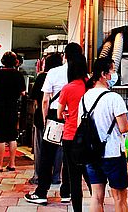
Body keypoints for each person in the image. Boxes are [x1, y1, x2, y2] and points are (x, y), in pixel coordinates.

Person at [25, 42, 83, 205]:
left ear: (65, 55)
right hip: (74, 118)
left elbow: (45, 100)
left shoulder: (54, 72)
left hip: (54, 116)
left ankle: (41, 192)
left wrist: (45, 120)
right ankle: (66, 192)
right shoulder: (82, 75)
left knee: (47, 156)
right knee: (69, 156)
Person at [83, 58, 128, 212]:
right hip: (113, 153)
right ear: (104, 74)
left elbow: (80, 126)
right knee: (119, 198)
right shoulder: (114, 98)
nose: (114, 74)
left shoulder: (84, 98)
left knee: (96, 196)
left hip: (91, 153)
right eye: (112, 71)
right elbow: (124, 128)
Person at [54, 54, 92, 212]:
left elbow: (59, 114)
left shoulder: (67, 88)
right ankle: (98, 201)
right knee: (90, 173)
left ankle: (78, 209)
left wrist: (68, 114)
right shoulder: (91, 87)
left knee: (74, 176)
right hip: (89, 136)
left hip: (70, 136)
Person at [0, 51, 26, 172]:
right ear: (15, 62)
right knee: (12, 136)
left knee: (1, 137)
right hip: (13, 107)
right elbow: (23, 92)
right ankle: (12, 163)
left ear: (3, 61)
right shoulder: (18, 75)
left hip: (0, 107)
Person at [29, 53, 64, 185]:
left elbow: (39, 100)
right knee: (58, 148)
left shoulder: (42, 77)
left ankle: (38, 177)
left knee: (40, 149)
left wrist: (42, 117)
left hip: (42, 117)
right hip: (59, 116)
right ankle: (56, 177)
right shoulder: (65, 76)